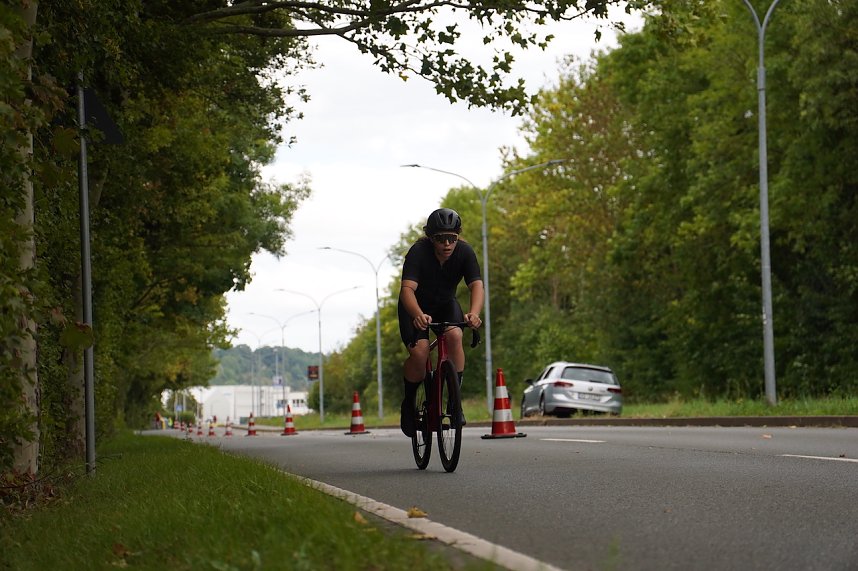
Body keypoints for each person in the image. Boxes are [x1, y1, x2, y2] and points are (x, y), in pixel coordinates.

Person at [398, 208, 484, 437]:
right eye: (440, 239)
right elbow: (407, 289)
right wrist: (417, 313)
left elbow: (476, 285)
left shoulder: (465, 252)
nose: (447, 244)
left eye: (452, 238)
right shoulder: (418, 252)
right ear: (430, 237)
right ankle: (409, 402)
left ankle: (454, 402)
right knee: (421, 352)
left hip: (445, 304)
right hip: (414, 305)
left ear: (458, 236)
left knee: (455, 335)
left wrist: (474, 313)